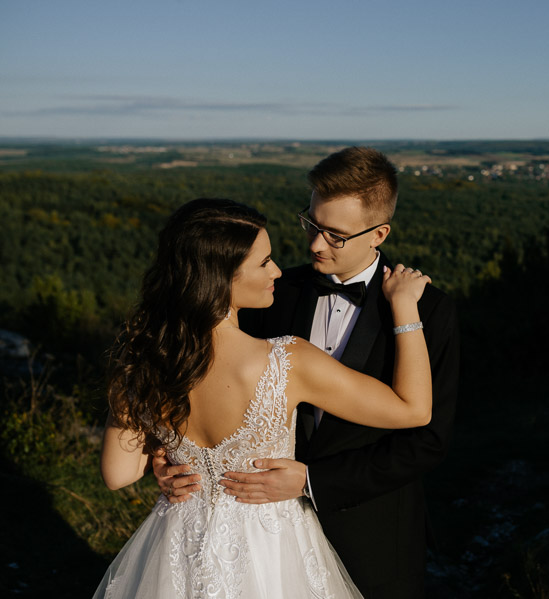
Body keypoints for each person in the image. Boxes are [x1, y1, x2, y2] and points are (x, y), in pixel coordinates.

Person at [154, 147, 460, 598]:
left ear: (379, 233)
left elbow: (427, 439)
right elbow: (210, 380)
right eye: (312, 224)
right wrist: (170, 455)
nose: (315, 243)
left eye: (335, 235)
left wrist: (312, 482)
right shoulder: (271, 290)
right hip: (259, 539)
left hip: (371, 532)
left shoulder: (427, 311)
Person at [95, 198, 434, 598]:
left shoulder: (142, 361)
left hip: (179, 549)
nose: (277, 270)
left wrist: (162, 456)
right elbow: (413, 410)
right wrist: (405, 307)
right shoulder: (287, 361)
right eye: (263, 263)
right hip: (271, 553)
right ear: (220, 278)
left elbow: (118, 475)